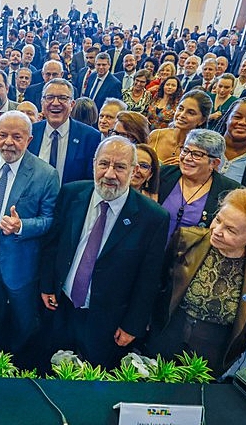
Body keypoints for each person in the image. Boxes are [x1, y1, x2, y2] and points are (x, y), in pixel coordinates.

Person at [40, 136, 170, 368]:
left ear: (133, 170)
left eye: (120, 167)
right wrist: (47, 285)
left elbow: (149, 279)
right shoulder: (71, 194)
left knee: (95, 380)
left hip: (107, 320)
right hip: (62, 307)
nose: (110, 174)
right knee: (53, 371)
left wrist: (133, 324)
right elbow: (53, 245)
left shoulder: (152, 217)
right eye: (104, 164)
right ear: (94, 164)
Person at [148, 187, 246, 394]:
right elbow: (157, 284)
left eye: (231, 230)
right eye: (218, 220)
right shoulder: (186, 239)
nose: (217, 231)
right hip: (168, 333)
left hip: (213, 349)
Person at [0, 111, 60, 357]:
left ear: (29, 139)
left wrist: (22, 226)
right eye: (3, 135)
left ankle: (20, 362)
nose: (8, 142)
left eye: (17, 137)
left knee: (24, 321)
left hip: (22, 266)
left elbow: (51, 221)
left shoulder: (46, 174)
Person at [159, 129, 241, 238]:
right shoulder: (163, 174)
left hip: (193, 254)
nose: (187, 158)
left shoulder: (229, 191)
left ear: (214, 163)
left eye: (197, 154)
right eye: (185, 151)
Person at [28, 78, 102, 185]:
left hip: (71, 200)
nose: (55, 103)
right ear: (42, 103)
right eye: (50, 97)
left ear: (72, 104)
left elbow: (89, 182)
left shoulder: (90, 137)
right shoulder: (30, 132)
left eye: (63, 98)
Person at [149, 89, 212, 165]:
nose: (182, 115)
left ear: (202, 120)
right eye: (180, 109)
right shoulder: (156, 135)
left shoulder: (201, 151)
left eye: (190, 113)